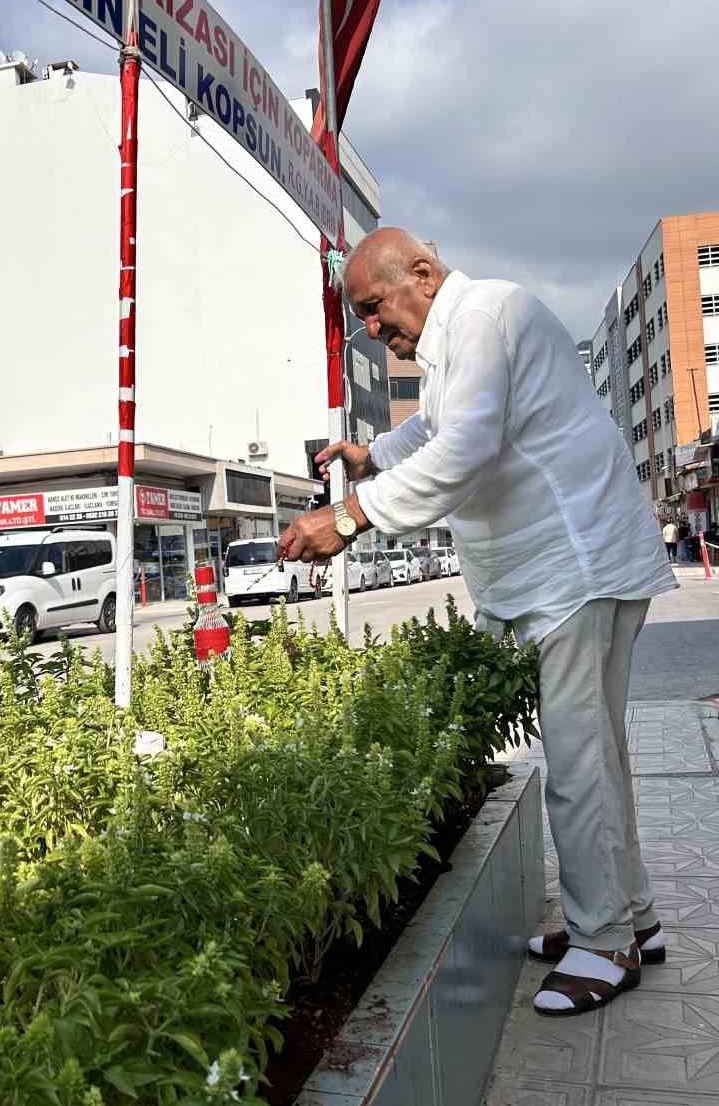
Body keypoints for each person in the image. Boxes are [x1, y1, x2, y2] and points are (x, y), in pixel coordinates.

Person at [277, 228, 677, 1018]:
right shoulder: (463, 336)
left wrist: (352, 516)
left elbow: (466, 445)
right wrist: (373, 455)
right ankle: (632, 918)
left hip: (575, 567)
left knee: (579, 759)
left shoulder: (485, 317)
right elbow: (442, 427)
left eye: (372, 306)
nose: (370, 328)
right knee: (595, 751)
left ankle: (605, 944)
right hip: (564, 568)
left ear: (421, 273)